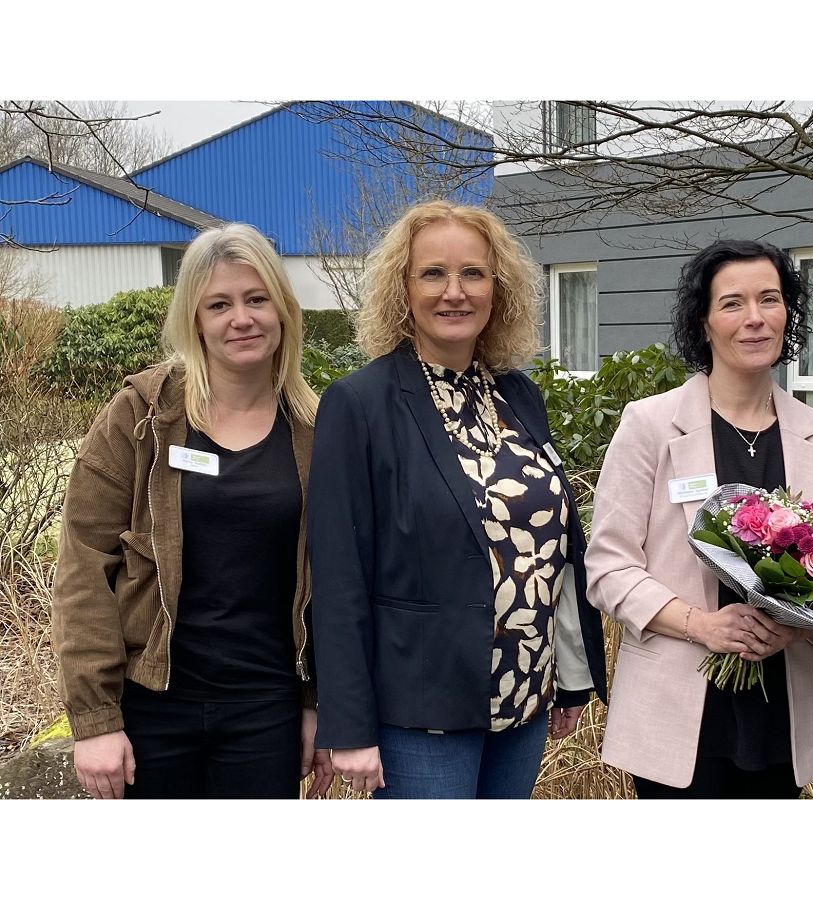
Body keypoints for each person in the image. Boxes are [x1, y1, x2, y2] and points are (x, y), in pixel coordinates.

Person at [307, 200, 607, 799]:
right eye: (433, 273)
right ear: (403, 288)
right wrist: (349, 724)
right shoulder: (359, 406)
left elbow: (555, 550)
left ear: (499, 288)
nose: (455, 292)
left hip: (523, 698)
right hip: (420, 712)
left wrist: (570, 678)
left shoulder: (519, 395)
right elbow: (337, 577)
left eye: (473, 273)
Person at [51, 223, 333, 799]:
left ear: (282, 310)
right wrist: (95, 719)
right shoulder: (141, 417)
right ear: (195, 320)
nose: (242, 319)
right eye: (219, 305)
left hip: (266, 709)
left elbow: (336, 581)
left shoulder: (316, 429)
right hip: (153, 704)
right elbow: (83, 564)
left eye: (257, 299)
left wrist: (319, 702)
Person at [585, 239, 813, 798]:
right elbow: (609, 568)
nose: (754, 319)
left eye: (770, 300)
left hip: (783, 709)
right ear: (704, 323)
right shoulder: (651, 425)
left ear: (788, 315)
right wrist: (701, 624)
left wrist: (792, 626)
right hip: (678, 715)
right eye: (732, 303)